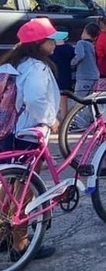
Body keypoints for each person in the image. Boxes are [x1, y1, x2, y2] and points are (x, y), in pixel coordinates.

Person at [0, 17, 64, 261]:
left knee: (10, 186)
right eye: (51, 40)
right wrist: (51, 119)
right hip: (29, 132)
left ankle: (3, 235)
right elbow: (36, 99)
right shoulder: (36, 68)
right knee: (23, 190)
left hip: (11, 131)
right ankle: (21, 243)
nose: (54, 44)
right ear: (39, 43)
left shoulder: (15, 63)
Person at [71, 22, 100, 97]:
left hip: (84, 76)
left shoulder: (81, 43)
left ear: (84, 31)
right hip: (95, 75)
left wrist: (72, 63)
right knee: (89, 99)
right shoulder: (92, 45)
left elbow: (80, 55)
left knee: (78, 99)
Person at [51, 36, 75, 118]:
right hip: (66, 75)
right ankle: (64, 118)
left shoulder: (53, 50)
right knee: (64, 99)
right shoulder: (69, 48)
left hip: (56, 75)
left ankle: (57, 118)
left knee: (54, 99)